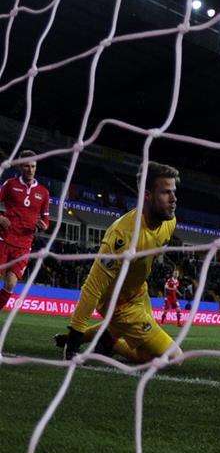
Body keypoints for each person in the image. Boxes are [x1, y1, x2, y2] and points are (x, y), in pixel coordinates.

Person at [57, 162, 183, 362]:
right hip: (118, 305)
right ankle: (110, 342)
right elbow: (93, 288)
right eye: (166, 193)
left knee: (145, 356)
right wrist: (74, 340)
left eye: (174, 192)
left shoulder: (170, 221)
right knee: (174, 357)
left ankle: (107, 341)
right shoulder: (121, 237)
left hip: (140, 294)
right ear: (147, 196)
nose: (174, 199)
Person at [0, 150, 51, 308]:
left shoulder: (43, 192)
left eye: (33, 166)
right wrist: (0, 218)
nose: (30, 170)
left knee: (10, 284)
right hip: (4, 239)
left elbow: (46, 220)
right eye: (27, 166)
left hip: (24, 245)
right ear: (20, 167)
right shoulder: (10, 185)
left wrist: (44, 226)